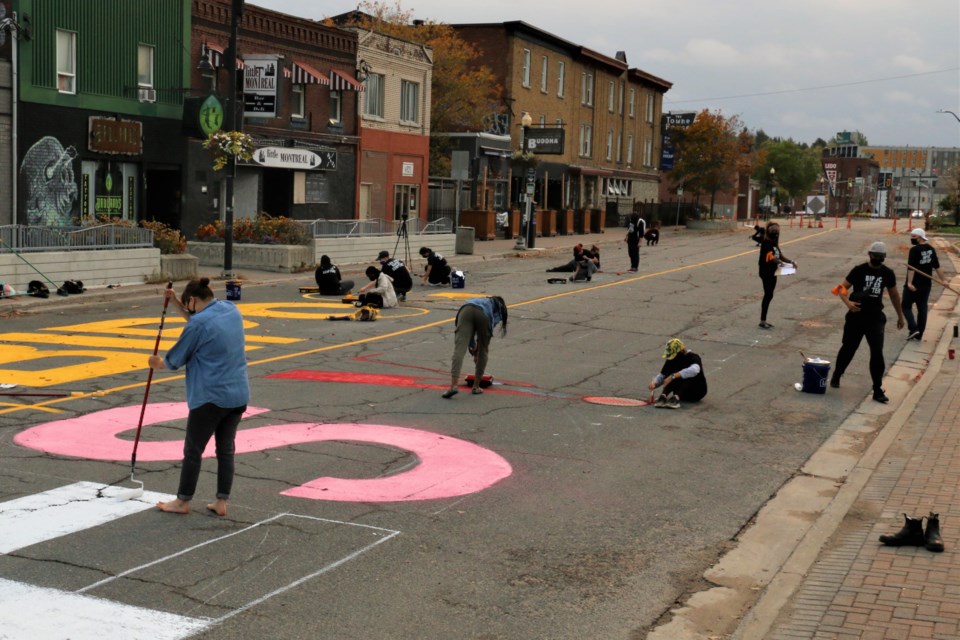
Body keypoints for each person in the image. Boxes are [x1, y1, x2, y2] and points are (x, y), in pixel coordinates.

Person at [149, 278, 249, 517]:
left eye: (187, 303)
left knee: (193, 450)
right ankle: (221, 501)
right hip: (237, 393)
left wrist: (157, 363)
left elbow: (175, 360)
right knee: (226, 450)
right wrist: (176, 303)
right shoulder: (230, 309)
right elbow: (199, 321)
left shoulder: (197, 325)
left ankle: (183, 500)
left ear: (192, 300)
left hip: (210, 397)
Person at [829, 241, 905, 403]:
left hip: (875, 318)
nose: (878, 258)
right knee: (849, 347)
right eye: (875, 256)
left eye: (881, 257)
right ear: (869, 255)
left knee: (877, 352)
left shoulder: (887, 273)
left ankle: (877, 389)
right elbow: (841, 288)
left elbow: (894, 295)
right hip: (856, 317)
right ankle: (837, 373)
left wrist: (900, 315)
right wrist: (848, 304)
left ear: (884, 257)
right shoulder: (859, 270)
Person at [442, 296, 508, 399]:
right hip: (483, 314)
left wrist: (472, 346)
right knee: (484, 351)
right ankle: (476, 386)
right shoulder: (497, 307)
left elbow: (471, 331)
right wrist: (478, 350)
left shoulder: (481, 300)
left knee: (459, 350)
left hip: (466, 309)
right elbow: (487, 331)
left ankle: (453, 386)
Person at [901, 228, 945, 341]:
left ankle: (914, 328)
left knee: (905, 306)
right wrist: (943, 280)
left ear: (920, 237)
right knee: (922, 308)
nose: (911, 238)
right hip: (926, 285)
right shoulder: (931, 249)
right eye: (911, 236)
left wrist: (909, 283)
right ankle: (919, 334)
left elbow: (911, 268)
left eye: (914, 236)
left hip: (914, 285)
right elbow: (937, 266)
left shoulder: (914, 250)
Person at [757, 221, 797, 329]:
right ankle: (762, 320)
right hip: (766, 272)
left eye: (777, 230)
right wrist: (782, 264)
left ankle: (763, 320)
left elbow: (780, 255)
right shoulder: (766, 242)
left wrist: (791, 262)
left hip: (773, 272)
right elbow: (771, 257)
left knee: (769, 295)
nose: (775, 232)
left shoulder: (774, 242)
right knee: (768, 294)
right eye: (773, 230)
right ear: (769, 231)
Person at [647, 338, 707, 408]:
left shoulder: (693, 357)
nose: (673, 358)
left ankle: (676, 397)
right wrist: (654, 383)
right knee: (671, 374)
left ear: (681, 351)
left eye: (674, 355)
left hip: (697, 392)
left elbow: (695, 370)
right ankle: (663, 395)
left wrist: (673, 376)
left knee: (684, 374)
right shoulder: (672, 359)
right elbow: (663, 375)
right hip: (682, 394)